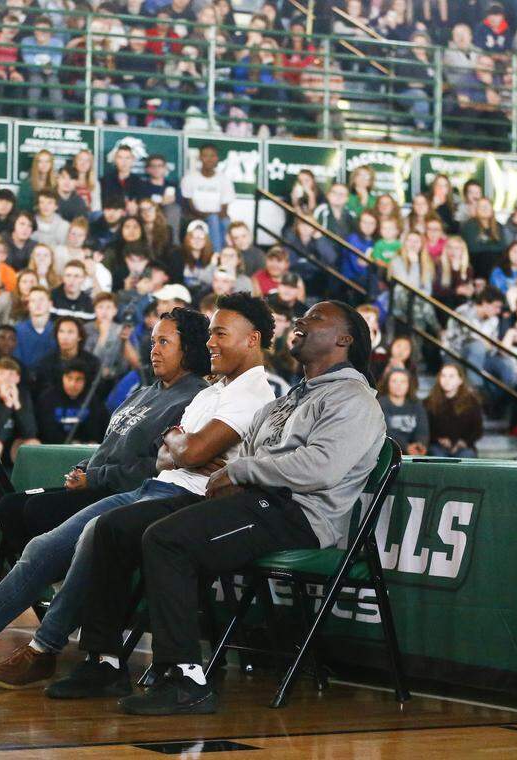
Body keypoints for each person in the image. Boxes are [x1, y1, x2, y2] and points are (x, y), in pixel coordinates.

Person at [45, 300, 382, 714]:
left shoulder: (353, 399)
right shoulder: (291, 398)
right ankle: (104, 662)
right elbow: (239, 457)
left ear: (343, 339)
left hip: (299, 516)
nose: (300, 321)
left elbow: (321, 468)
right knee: (114, 526)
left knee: (168, 540)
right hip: (258, 502)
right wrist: (239, 472)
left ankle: (186, 678)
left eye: (314, 319)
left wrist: (240, 470)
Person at [0, 307, 220, 683]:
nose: (153, 350)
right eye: (153, 340)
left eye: (164, 342)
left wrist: (95, 477)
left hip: (133, 497)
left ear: (189, 348)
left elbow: (153, 468)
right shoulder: (143, 392)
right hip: (101, 488)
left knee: (39, 535)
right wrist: (85, 466)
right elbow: (109, 445)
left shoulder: (194, 400)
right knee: (29, 531)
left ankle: (15, 635)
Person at [180, 144, 234, 251]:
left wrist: (212, 215)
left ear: (217, 158)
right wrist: (207, 215)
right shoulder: (190, 178)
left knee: (226, 222)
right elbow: (188, 206)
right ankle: (216, 254)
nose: (209, 159)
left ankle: (228, 254)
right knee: (213, 219)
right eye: (205, 156)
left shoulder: (224, 180)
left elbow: (224, 210)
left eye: (212, 156)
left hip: (217, 216)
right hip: (195, 215)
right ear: (200, 158)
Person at [424, 364, 483, 458]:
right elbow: (425, 429)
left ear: (460, 380)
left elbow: (477, 430)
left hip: (464, 446)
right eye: (443, 376)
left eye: (451, 376)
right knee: (437, 456)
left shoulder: (472, 402)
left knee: (467, 456)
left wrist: (463, 442)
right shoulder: (428, 402)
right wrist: (438, 440)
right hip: (437, 446)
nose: (446, 380)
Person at [378, 367, 428, 455]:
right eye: (394, 381)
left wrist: (420, 444)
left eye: (403, 382)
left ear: (409, 385)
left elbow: (422, 429)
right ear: (387, 384)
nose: (399, 385)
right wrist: (406, 447)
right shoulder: (380, 404)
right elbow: (385, 431)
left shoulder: (416, 404)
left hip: (414, 451)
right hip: (388, 450)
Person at [13, 286, 56, 371]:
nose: (38, 304)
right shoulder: (17, 330)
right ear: (28, 305)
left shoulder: (59, 331)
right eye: (33, 301)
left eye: (41, 300)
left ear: (50, 304)